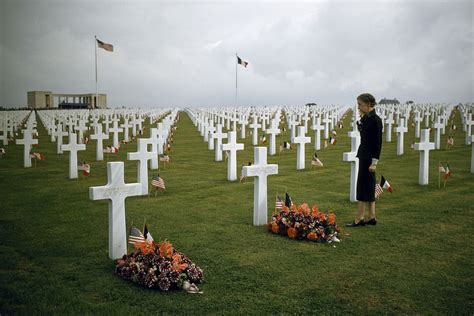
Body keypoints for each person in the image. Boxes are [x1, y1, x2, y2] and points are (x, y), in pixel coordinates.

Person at [347, 93, 383, 227]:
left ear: (368, 104)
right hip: (363, 155)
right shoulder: (367, 118)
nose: (358, 107)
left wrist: (374, 162)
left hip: (369, 158)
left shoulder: (375, 120)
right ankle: (371, 216)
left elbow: (377, 143)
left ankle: (360, 218)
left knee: (363, 186)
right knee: (367, 186)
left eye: (360, 104)